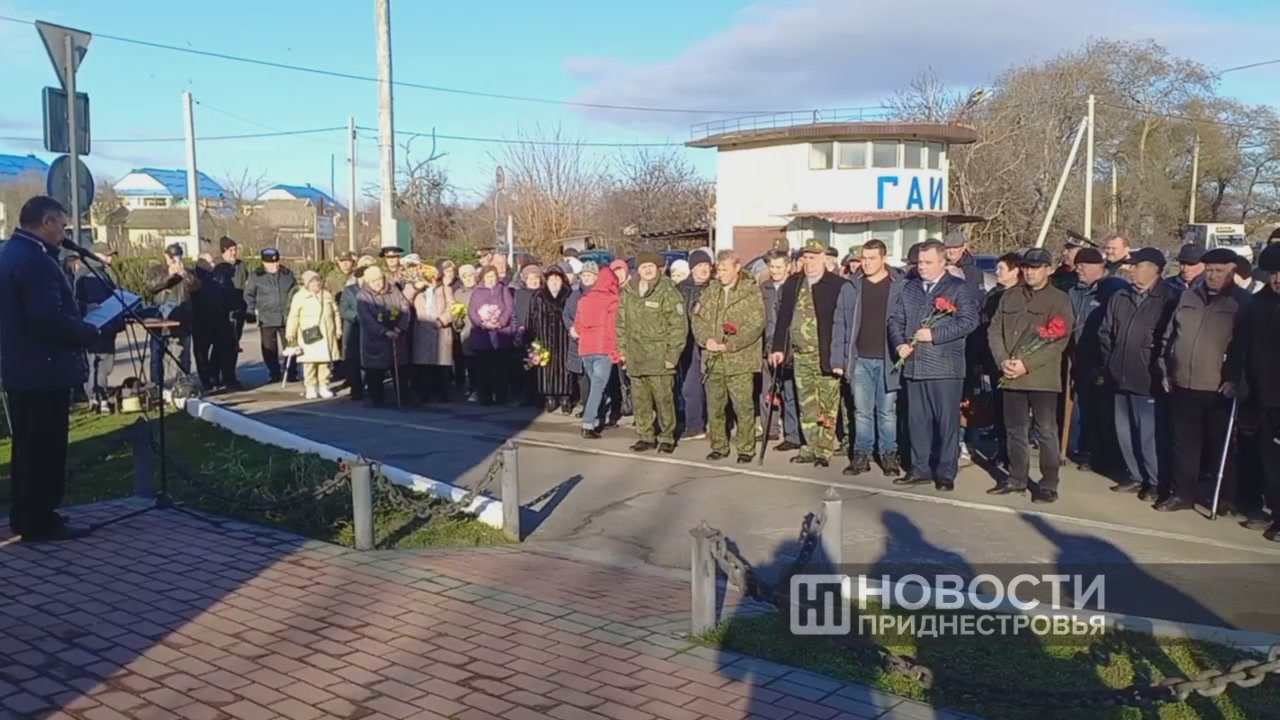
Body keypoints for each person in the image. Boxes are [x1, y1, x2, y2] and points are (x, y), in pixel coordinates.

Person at [0, 196, 100, 541]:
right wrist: (89, 330)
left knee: (28, 447)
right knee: (44, 448)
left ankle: (26, 516)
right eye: (62, 223)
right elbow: (46, 319)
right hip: (43, 370)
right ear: (46, 222)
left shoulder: (11, 253)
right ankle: (40, 520)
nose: (65, 231)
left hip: (23, 368)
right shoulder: (36, 261)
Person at [1157, 248, 1250, 513]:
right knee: (1183, 444)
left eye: (1220, 271)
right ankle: (1182, 494)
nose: (1213, 276)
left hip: (1219, 387)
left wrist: (1236, 380)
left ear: (1232, 272)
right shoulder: (1187, 297)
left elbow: (1246, 348)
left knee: (1219, 446)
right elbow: (1169, 337)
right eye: (1209, 270)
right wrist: (1166, 370)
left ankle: (1224, 498)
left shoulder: (1242, 303)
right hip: (1183, 382)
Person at [889, 239, 981, 490]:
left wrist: (935, 335)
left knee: (946, 422)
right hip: (915, 365)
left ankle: (945, 472)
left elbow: (969, 321)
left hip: (945, 366)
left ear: (943, 262)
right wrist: (899, 344)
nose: (922, 267)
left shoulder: (958, 287)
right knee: (917, 421)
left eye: (928, 262)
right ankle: (920, 468)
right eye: (919, 262)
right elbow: (895, 319)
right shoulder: (910, 288)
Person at [986, 247, 1075, 502]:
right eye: (1026, 267)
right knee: (1015, 430)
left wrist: (1027, 364)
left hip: (1041, 377)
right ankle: (1016, 478)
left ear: (1048, 269)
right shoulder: (1010, 296)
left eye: (1035, 267)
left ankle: (1049, 482)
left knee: (1046, 430)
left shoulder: (1059, 300)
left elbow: (1059, 340)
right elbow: (994, 331)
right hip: (1010, 375)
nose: (1029, 271)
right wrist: (1002, 360)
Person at [1098, 247, 1178, 500]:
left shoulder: (1170, 298)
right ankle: (1135, 475)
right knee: (1125, 431)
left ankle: (1156, 481)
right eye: (1131, 266)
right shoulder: (1121, 296)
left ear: (1155, 269)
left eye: (1138, 265)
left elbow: (1173, 340)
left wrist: (1163, 370)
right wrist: (1110, 361)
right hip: (1120, 372)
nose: (1132, 271)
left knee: (1149, 433)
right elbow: (1105, 333)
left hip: (1149, 377)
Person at [830, 239, 904, 476]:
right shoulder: (851, 287)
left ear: (883, 259)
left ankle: (888, 454)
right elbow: (839, 323)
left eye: (872, 258)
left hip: (888, 359)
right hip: (860, 358)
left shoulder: (899, 285)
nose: (867, 263)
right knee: (861, 411)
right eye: (864, 258)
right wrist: (838, 360)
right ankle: (861, 455)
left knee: (887, 411)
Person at [769, 240, 845, 467]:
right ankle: (809, 446)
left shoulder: (837, 285)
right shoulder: (793, 283)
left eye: (814, 257)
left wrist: (840, 357)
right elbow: (783, 319)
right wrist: (777, 348)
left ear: (824, 258)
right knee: (806, 404)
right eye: (805, 257)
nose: (809, 262)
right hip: (800, 355)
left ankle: (824, 449)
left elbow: (843, 323)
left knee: (828, 405)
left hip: (825, 355)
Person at [692, 250, 763, 463]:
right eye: (718, 269)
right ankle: (719, 445)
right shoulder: (711, 292)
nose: (720, 274)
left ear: (736, 267)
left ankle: (746, 448)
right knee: (715, 406)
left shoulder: (750, 292)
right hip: (714, 360)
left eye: (725, 269)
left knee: (743, 407)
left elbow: (755, 325)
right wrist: (707, 340)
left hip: (739, 360)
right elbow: (698, 319)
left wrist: (731, 345)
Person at [619, 252, 687, 454]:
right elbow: (620, 323)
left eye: (651, 266)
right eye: (643, 267)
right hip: (635, 356)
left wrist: (672, 356)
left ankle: (667, 436)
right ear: (637, 270)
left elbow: (678, 326)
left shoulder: (668, 291)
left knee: (663, 399)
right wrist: (623, 351)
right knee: (641, 400)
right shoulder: (629, 291)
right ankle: (645, 435)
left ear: (659, 268)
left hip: (659, 357)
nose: (647, 270)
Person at [1066, 248, 1126, 473]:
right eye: (1077, 266)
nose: (1078, 270)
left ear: (1098, 266)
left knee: (1105, 411)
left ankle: (1106, 456)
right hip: (1080, 358)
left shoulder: (1114, 289)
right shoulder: (1075, 292)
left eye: (1083, 266)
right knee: (1086, 408)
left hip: (1103, 359)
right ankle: (1087, 450)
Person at [1238, 243, 1280, 541]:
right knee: (1269, 459)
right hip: (1262, 394)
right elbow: (1243, 347)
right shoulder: (1258, 304)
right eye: (1274, 273)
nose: (1278, 279)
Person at [760, 250, 802, 450]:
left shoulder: (795, 287)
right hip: (766, 348)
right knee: (767, 392)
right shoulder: (763, 288)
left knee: (790, 393)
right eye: (772, 267)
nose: (774, 271)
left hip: (788, 348)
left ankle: (793, 434)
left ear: (788, 267)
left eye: (778, 267)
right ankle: (769, 428)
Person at [573, 261, 621, 438]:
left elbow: (577, 326)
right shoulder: (612, 300)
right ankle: (588, 423)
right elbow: (612, 327)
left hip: (585, 347)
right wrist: (616, 351)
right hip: (603, 347)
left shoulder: (584, 300)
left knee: (596, 385)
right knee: (598, 386)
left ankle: (596, 418)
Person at [73, 242, 123, 406]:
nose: (110, 257)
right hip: (96, 326)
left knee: (105, 364)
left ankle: (100, 393)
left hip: (108, 325)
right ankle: (95, 396)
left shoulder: (103, 273)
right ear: (96, 255)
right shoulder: (87, 274)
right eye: (107, 254)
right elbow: (82, 301)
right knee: (96, 362)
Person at [144, 243, 200, 386]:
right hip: (160, 319)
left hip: (182, 319)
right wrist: (169, 274)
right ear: (166, 256)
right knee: (157, 355)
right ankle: (157, 385)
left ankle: (183, 384)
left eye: (179, 257)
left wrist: (184, 274)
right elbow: (151, 286)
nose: (176, 261)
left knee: (182, 354)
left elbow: (196, 287)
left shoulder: (188, 271)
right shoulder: (155, 270)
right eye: (173, 257)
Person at [357, 265, 411, 405]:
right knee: (375, 370)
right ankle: (377, 398)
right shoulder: (363, 296)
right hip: (375, 340)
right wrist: (384, 331)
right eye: (374, 281)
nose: (378, 283)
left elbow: (405, 307)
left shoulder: (393, 290)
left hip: (396, 336)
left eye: (380, 279)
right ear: (368, 282)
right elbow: (366, 319)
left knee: (399, 368)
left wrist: (399, 328)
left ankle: (403, 397)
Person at [244, 247, 298, 384]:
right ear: (263, 263)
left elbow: (295, 293)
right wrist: (250, 311)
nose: (274, 265)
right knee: (269, 348)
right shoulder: (256, 276)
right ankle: (273, 372)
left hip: (287, 317)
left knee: (291, 347)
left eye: (276, 262)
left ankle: (291, 372)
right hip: (267, 318)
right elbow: (249, 295)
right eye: (270, 263)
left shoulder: (287, 274)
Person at [286, 270, 341, 400]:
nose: (315, 284)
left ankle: (324, 385)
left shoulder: (327, 295)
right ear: (306, 284)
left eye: (317, 281)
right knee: (309, 363)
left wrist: (338, 329)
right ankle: (310, 387)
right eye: (312, 282)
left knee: (325, 363)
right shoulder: (299, 297)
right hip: (309, 335)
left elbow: (336, 313)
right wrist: (290, 332)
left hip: (327, 334)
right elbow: (293, 315)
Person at [404, 263, 454, 403]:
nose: (431, 279)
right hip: (422, 329)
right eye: (428, 276)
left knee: (441, 364)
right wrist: (415, 288)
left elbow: (452, 307)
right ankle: (423, 393)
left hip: (440, 329)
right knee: (423, 364)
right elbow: (404, 301)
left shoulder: (444, 288)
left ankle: (442, 393)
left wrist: (442, 320)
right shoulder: (417, 288)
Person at [677, 250, 713, 440]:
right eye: (700, 266)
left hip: (709, 342)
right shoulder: (681, 289)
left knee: (714, 386)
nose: (704, 269)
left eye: (707, 265)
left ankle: (718, 424)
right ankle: (694, 425)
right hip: (689, 343)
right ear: (692, 268)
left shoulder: (715, 287)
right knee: (690, 387)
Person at [467, 265, 515, 405]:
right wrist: (483, 323)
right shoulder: (477, 292)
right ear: (483, 278)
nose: (491, 279)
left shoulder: (503, 289)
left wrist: (500, 322)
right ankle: (485, 396)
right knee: (484, 369)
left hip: (501, 334)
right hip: (482, 336)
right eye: (488, 277)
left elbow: (509, 307)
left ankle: (501, 395)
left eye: (493, 276)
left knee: (501, 368)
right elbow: (472, 312)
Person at [528, 267, 574, 413]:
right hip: (543, 338)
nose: (554, 282)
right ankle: (549, 397)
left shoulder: (569, 295)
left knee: (564, 367)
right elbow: (531, 318)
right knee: (545, 367)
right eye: (551, 279)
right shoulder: (538, 296)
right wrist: (531, 338)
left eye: (557, 279)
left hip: (564, 339)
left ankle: (565, 397)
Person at [191, 252, 236, 391]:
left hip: (218, 320)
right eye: (210, 263)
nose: (213, 265)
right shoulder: (194, 278)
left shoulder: (216, 278)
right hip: (200, 321)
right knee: (201, 354)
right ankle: (206, 381)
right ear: (201, 263)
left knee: (219, 351)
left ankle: (214, 376)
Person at [339, 258, 375, 401]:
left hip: (370, 330)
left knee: (369, 359)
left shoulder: (373, 290)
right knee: (354, 360)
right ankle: (356, 388)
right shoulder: (349, 291)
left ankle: (369, 385)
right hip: (354, 328)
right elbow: (344, 309)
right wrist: (359, 317)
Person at [214, 236, 249, 349]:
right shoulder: (216, 266)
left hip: (239, 308)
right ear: (224, 251)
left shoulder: (241, 265)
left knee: (235, 341)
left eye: (235, 250)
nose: (234, 253)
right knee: (223, 343)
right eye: (231, 250)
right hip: (223, 311)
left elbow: (246, 283)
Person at [453, 264, 478, 398]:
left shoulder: (480, 290)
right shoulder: (458, 293)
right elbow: (455, 312)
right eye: (465, 276)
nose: (468, 279)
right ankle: (473, 387)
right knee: (470, 363)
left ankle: (481, 389)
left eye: (470, 275)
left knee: (481, 363)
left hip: (480, 330)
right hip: (466, 331)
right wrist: (457, 320)